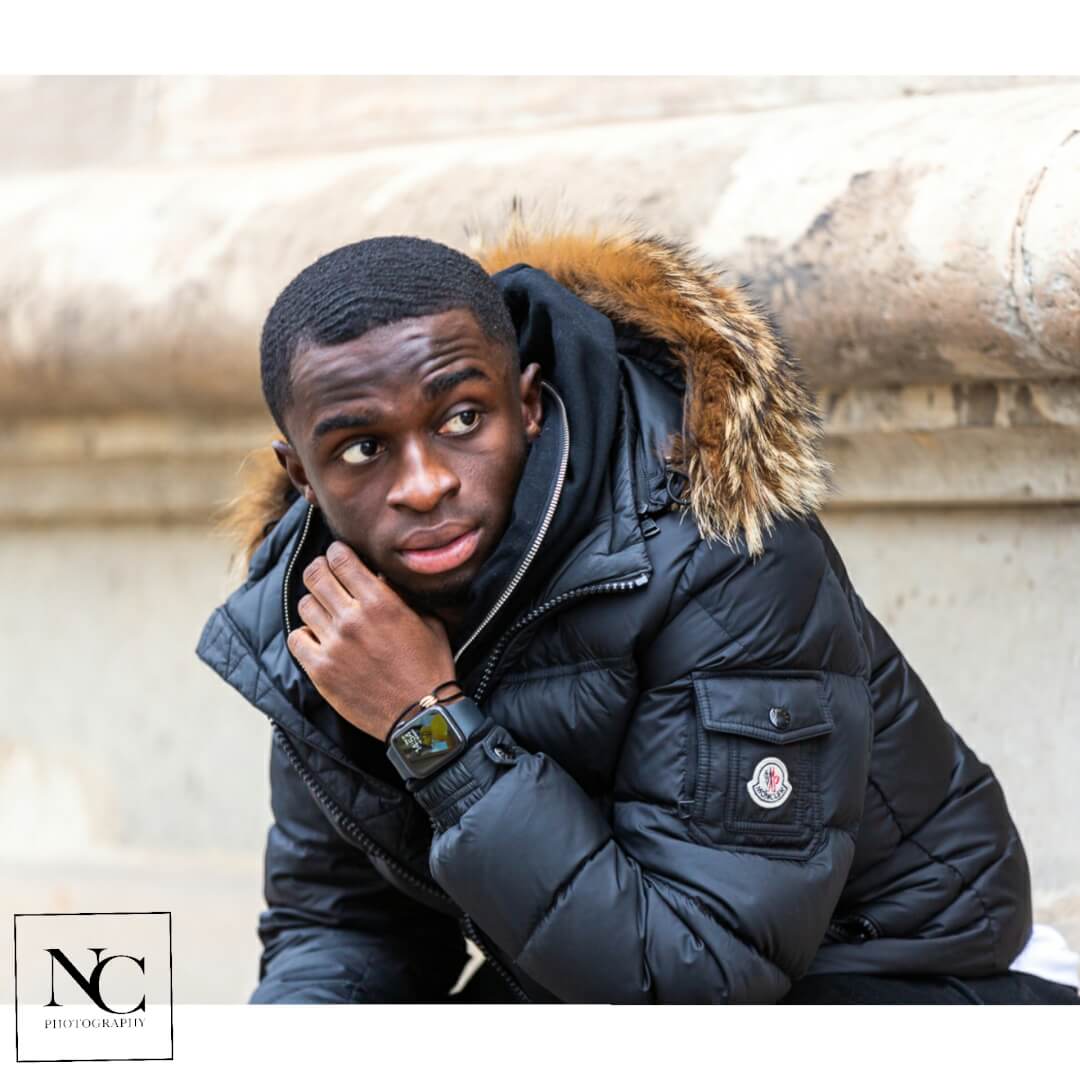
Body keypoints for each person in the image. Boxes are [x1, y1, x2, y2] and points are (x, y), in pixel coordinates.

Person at [196, 212, 1079, 1004]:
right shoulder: (329, 610)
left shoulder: (714, 550)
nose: (424, 485)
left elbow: (698, 980)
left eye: (462, 419)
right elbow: (345, 929)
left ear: (527, 405)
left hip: (895, 977)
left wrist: (427, 724)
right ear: (301, 475)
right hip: (588, 981)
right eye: (362, 448)